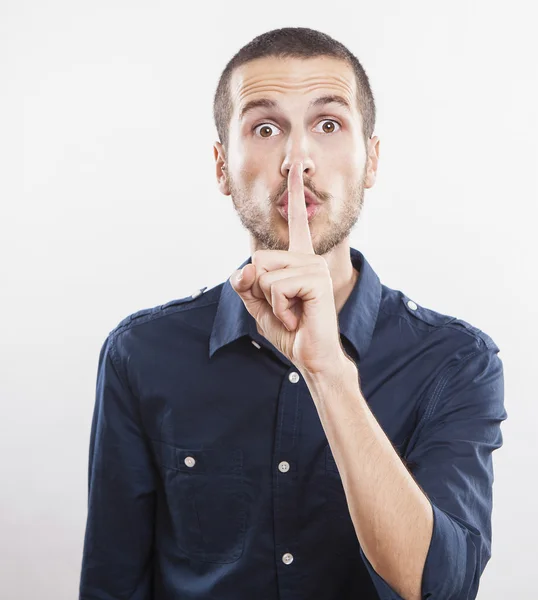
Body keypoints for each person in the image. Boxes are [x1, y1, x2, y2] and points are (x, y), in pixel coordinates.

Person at [79, 27, 508, 600]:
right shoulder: (142, 354)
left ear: (371, 159)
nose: (296, 159)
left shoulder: (456, 362)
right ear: (221, 167)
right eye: (264, 128)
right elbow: (112, 585)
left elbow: (440, 587)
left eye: (328, 125)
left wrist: (329, 372)